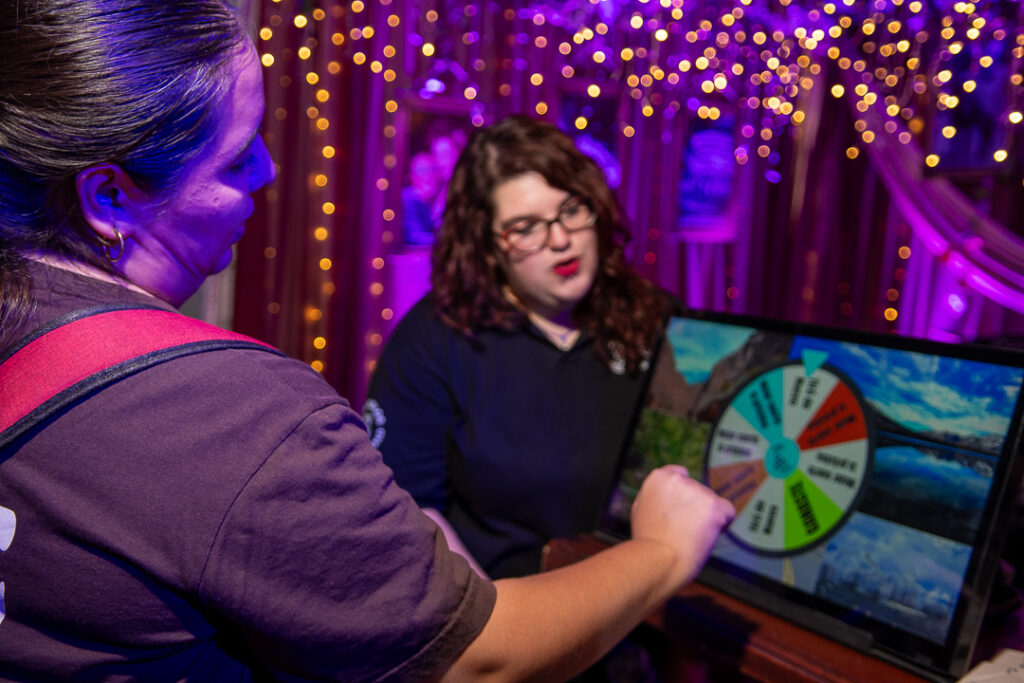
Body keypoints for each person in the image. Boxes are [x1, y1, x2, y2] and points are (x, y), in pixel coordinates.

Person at [0, 2, 735, 681]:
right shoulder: (241, 413)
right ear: (109, 196)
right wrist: (663, 551)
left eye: (572, 212)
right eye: (235, 158)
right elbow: (474, 658)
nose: (269, 169)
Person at [365, 115, 676, 580]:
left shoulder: (653, 317)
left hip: (639, 599)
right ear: (487, 246)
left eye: (572, 209)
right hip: (503, 601)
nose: (561, 240)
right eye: (526, 227)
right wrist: (494, 613)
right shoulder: (435, 339)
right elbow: (410, 506)